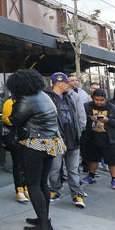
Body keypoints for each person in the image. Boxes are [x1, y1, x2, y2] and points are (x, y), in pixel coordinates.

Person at [6, 69, 65, 230]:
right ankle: (43, 218)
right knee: (42, 183)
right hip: (52, 144)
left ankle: (45, 225)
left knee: (32, 184)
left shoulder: (25, 99)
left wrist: (15, 102)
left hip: (35, 145)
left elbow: (14, 120)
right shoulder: (44, 95)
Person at [44, 73, 84, 208]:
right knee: (55, 168)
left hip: (73, 138)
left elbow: (78, 116)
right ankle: (54, 190)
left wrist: (80, 130)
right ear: (58, 83)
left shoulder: (70, 97)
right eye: (66, 82)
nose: (69, 85)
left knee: (73, 169)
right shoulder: (46, 98)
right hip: (56, 139)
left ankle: (77, 193)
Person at [80, 89, 115, 190]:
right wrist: (90, 118)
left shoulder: (113, 108)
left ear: (106, 99)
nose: (99, 102)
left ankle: (114, 179)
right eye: (96, 100)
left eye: (101, 100)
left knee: (112, 161)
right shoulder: (87, 106)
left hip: (109, 139)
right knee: (93, 159)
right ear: (92, 98)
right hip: (92, 138)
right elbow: (80, 116)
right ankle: (91, 176)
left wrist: (108, 120)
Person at [2, 96, 29, 203]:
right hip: (16, 137)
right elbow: (5, 118)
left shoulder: (28, 100)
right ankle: (19, 189)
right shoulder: (9, 102)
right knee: (18, 164)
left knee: (26, 164)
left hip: (27, 136)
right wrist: (21, 121)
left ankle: (25, 187)